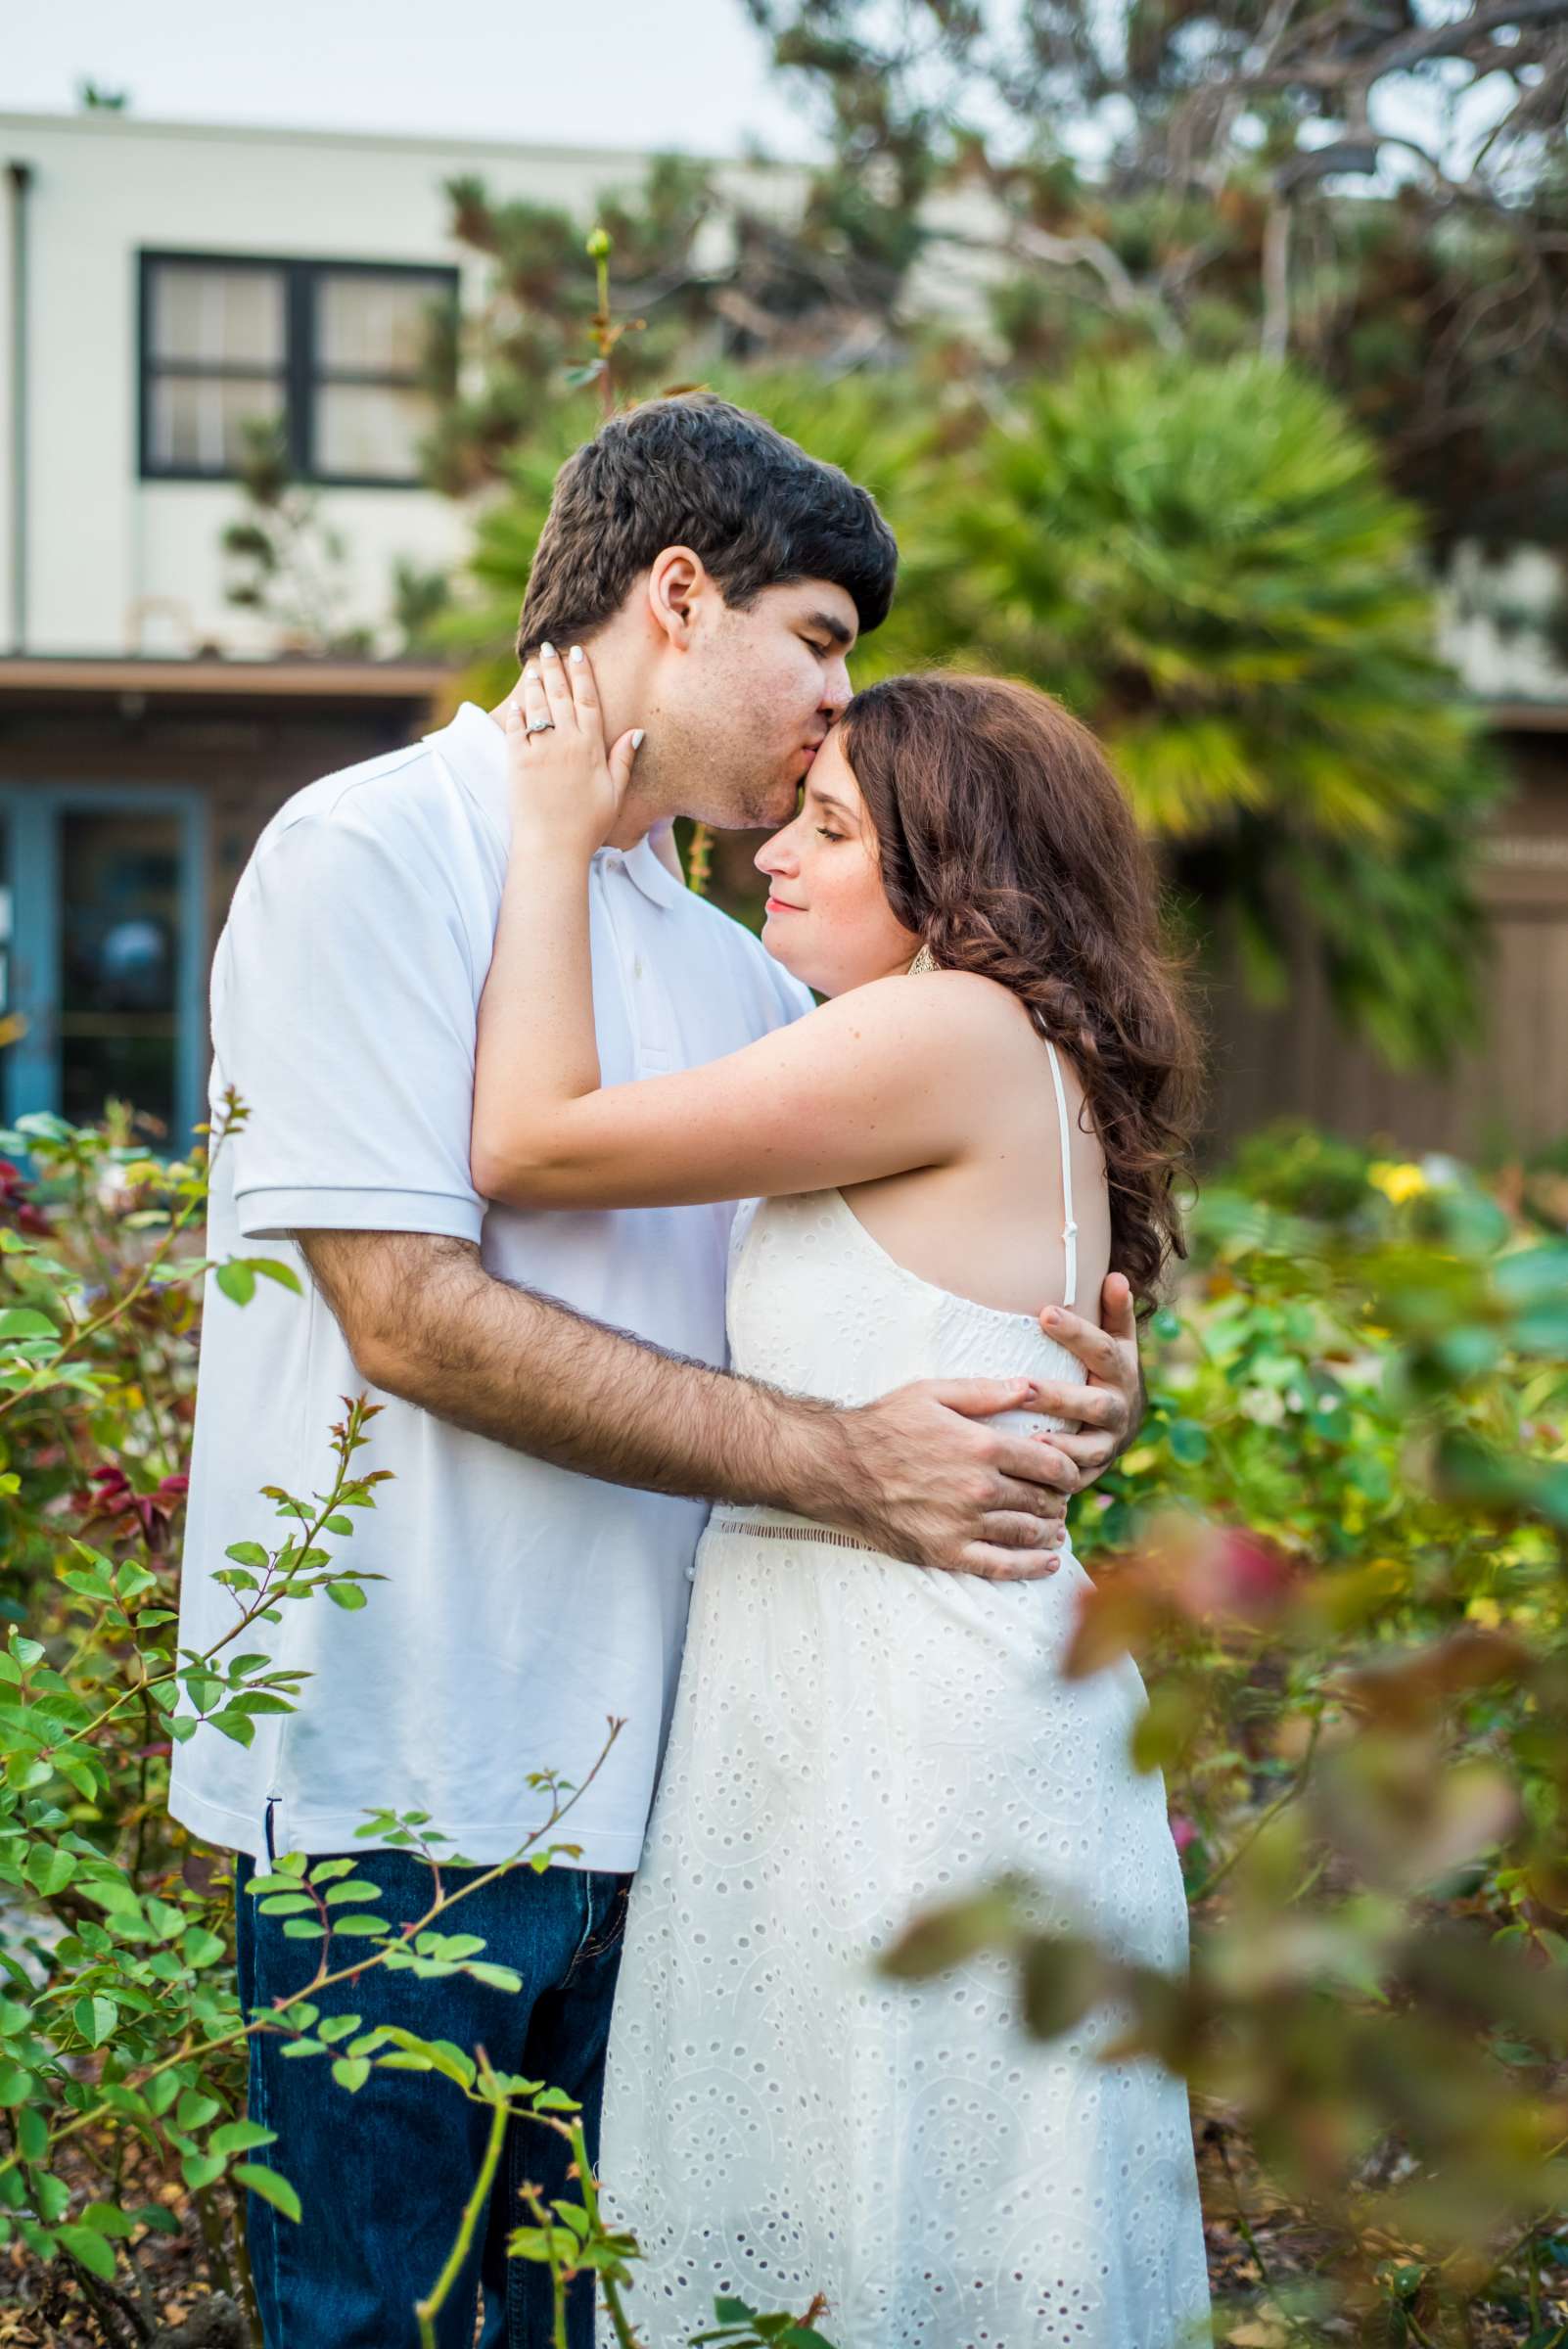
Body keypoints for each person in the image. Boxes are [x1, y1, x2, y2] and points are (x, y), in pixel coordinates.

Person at [169, 395, 1146, 2349]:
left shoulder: (735, 964)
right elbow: (409, 1313)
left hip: (692, 1816)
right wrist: (848, 1461)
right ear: (679, 598)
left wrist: (1040, 1392)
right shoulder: (367, 856)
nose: (834, 703)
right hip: (407, 1797)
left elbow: (841, 1294)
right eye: (820, 640)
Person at [469, 646, 1211, 2347]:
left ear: (956, 874)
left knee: (876, 2212)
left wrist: (544, 834)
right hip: (877, 1678)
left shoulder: (941, 1027)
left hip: (903, 1713)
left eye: (825, 828)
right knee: (860, 2210)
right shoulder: (988, 1046)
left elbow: (531, 1143)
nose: (768, 855)